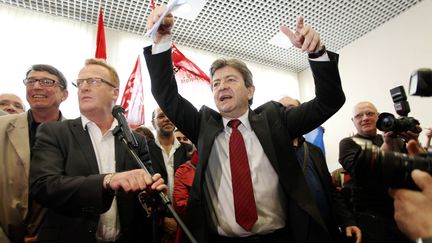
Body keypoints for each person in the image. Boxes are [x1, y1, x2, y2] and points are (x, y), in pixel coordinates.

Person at [145, 5, 345, 243]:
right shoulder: (203, 125)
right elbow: (166, 93)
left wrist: (317, 53)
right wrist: (162, 40)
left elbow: (329, 101)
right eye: (216, 84)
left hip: (280, 237)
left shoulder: (275, 119)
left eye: (230, 80)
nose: (222, 87)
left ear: (250, 91)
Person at [29, 58, 166, 243]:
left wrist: (150, 194)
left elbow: (144, 200)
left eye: (93, 81)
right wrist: (107, 181)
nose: (84, 87)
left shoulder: (137, 141)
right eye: (80, 83)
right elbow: (43, 186)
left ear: (114, 92)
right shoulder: (54, 132)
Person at [0, 64, 69, 243]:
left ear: (64, 94)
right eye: (31, 81)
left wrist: (49, 236)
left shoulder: (77, 136)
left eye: (47, 82)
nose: (37, 86)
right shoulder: (1, 127)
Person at [279, 96, 361, 243]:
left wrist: (347, 221)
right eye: (282, 109)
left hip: (328, 229)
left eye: (291, 109)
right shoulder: (272, 153)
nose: (287, 114)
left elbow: (330, 190)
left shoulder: (314, 151)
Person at [338, 101, 415, 243]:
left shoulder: (395, 139)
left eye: (370, 113)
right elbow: (362, 171)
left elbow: (412, 166)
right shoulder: (348, 143)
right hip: (371, 215)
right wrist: (387, 144)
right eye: (359, 115)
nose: (365, 118)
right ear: (353, 121)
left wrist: (413, 142)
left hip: (401, 209)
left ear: (379, 117)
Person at [148, 107, 193, 242]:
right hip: (156, 224)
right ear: (153, 122)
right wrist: (163, 219)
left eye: (170, 115)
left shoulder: (189, 150)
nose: (167, 119)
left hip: (186, 222)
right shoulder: (145, 150)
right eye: (161, 116)